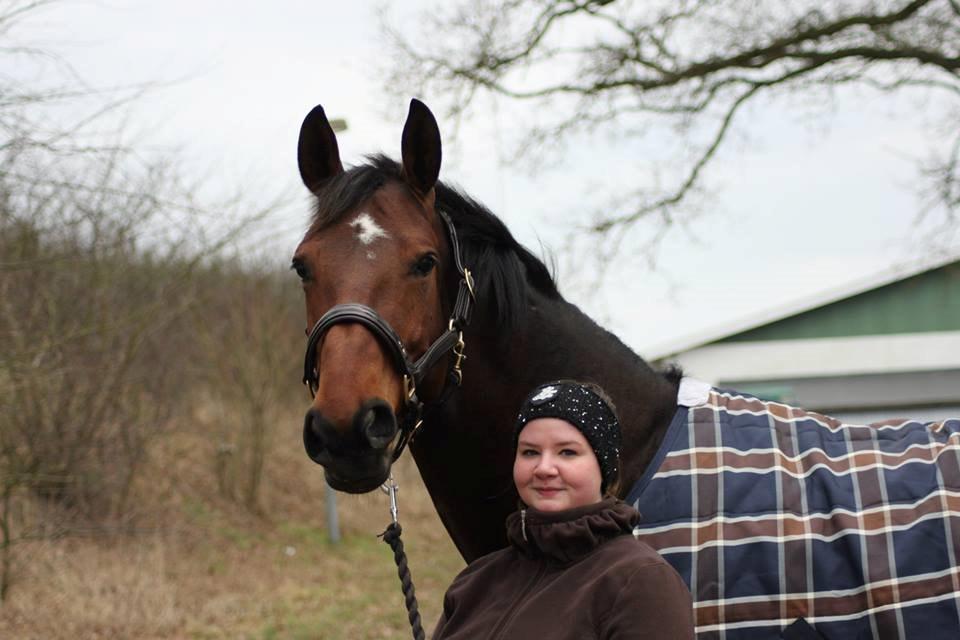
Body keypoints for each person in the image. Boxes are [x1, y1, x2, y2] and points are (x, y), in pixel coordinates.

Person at [432, 380, 695, 639]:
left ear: (604, 467)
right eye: (530, 452)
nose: (544, 468)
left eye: (567, 452)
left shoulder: (640, 580)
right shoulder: (476, 581)